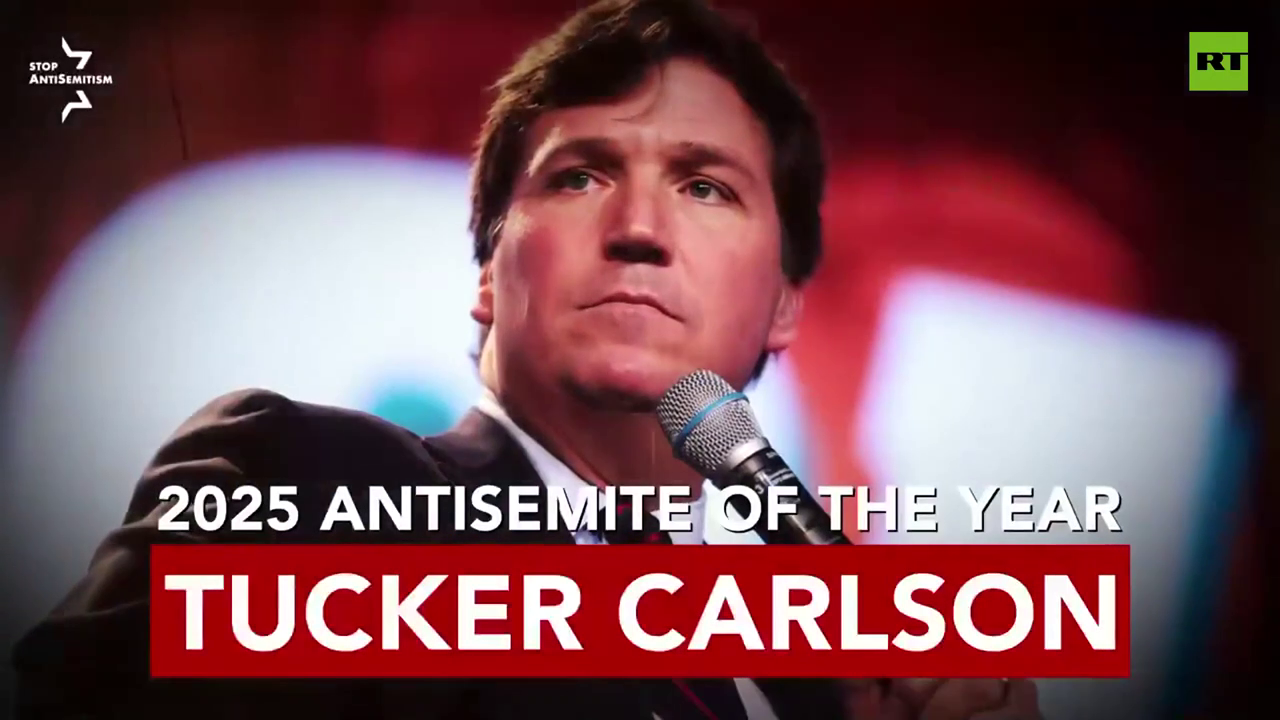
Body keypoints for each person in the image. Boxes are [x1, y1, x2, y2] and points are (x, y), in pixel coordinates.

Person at [13, 0, 1043, 718]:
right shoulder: (306, 487)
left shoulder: (826, 682)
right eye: (580, 176)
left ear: (781, 308)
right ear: (485, 276)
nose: (640, 228)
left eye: (705, 188)